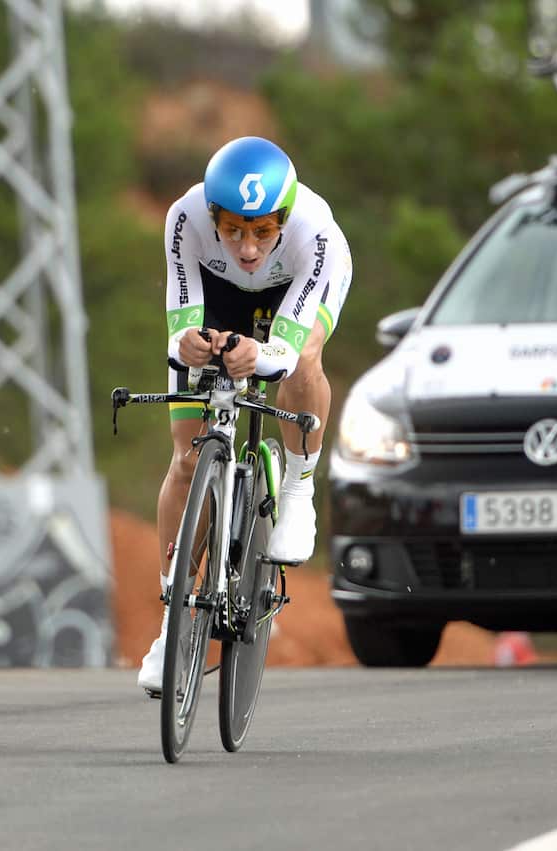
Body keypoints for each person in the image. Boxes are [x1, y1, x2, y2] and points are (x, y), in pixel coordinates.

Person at [137, 136, 352, 692]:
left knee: (303, 362)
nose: (249, 247)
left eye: (262, 230)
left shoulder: (313, 231)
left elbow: (285, 351)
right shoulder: (184, 218)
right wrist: (188, 343)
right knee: (187, 459)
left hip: (295, 293)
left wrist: (264, 353)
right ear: (212, 216)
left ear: (285, 217)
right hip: (217, 292)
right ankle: (173, 624)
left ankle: (299, 485)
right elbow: (179, 323)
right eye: (232, 230)